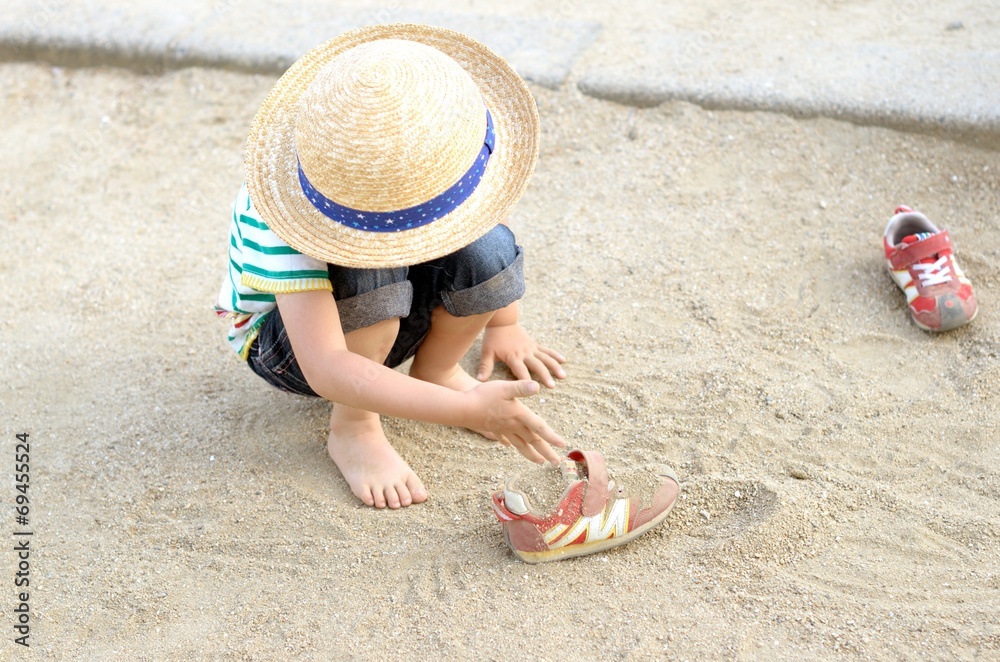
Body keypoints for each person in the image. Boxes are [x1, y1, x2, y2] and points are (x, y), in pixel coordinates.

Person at [215, 24, 567, 509]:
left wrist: (504, 323)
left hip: (382, 310)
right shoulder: (286, 219)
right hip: (294, 343)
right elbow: (326, 366)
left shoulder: (441, 141)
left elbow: (479, 217)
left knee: (489, 246)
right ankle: (354, 426)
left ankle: (437, 370)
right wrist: (465, 409)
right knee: (368, 270)